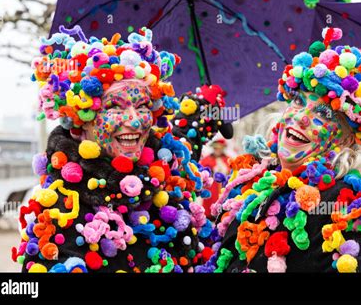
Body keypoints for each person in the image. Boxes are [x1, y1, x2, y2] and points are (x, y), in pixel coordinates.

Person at [201, 27, 361, 273]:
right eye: (298, 101)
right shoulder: (255, 177)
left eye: (323, 114)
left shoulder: (341, 199)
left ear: (347, 140)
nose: (301, 117)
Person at [12, 26, 216, 273]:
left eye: (143, 106)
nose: (135, 120)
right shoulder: (59, 212)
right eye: (115, 107)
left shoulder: (167, 178)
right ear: (81, 119)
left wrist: (203, 110)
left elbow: (185, 142)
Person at [199, 139, 231, 217]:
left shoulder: (228, 159)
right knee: (210, 201)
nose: (218, 150)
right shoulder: (206, 159)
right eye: (216, 148)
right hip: (211, 186)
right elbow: (202, 172)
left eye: (219, 148)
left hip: (224, 186)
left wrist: (225, 171)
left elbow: (232, 171)